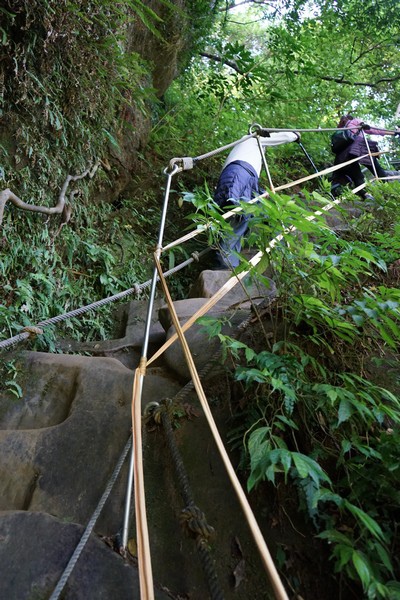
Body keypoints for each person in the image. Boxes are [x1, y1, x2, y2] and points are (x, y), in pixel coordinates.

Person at [211, 131, 300, 270]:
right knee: (236, 213)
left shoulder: (247, 149)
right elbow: (283, 137)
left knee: (245, 214)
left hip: (243, 175)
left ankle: (230, 262)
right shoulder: (252, 139)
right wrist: (295, 135)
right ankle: (223, 263)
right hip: (240, 172)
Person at [330, 114, 399, 200]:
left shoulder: (341, 130)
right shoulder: (354, 121)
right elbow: (371, 129)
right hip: (359, 148)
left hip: (344, 155)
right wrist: (393, 132)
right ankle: (388, 190)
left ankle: (366, 195)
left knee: (357, 176)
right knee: (377, 169)